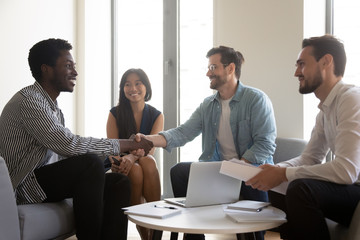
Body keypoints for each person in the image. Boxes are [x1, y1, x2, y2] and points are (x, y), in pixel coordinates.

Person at [0, 38, 153, 240]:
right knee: (88, 164)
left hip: (41, 180)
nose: (75, 72)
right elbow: (70, 145)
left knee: (118, 182)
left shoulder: (53, 108)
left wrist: (108, 161)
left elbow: (65, 157)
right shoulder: (30, 102)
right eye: (68, 66)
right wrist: (128, 144)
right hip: (24, 186)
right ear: (46, 69)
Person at [142, 46, 277, 240]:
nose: (208, 73)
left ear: (230, 68)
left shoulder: (256, 100)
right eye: (208, 68)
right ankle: (194, 233)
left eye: (213, 67)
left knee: (254, 230)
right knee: (179, 171)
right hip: (219, 172)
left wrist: (237, 168)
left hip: (249, 173)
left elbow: (265, 144)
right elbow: (183, 133)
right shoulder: (208, 105)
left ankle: (252, 232)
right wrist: (148, 139)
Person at [246, 35, 360, 240]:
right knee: (277, 187)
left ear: (326, 62)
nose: (296, 72)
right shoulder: (325, 110)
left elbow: (347, 170)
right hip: (348, 189)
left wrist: (285, 174)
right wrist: (276, 171)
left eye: (301, 64)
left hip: (356, 190)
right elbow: (310, 158)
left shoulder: (351, 100)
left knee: (300, 188)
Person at [106, 68, 164, 240]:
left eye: (138, 83)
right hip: (119, 164)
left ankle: (155, 231)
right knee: (137, 169)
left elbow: (150, 149)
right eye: (127, 84)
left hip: (144, 160)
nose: (133, 89)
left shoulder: (156, 115)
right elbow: (112, 148)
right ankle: (146, 234)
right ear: (122, 89)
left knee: (148, 161)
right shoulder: (114, 113)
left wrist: (132, 157)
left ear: (146, 87)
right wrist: (125, 160)